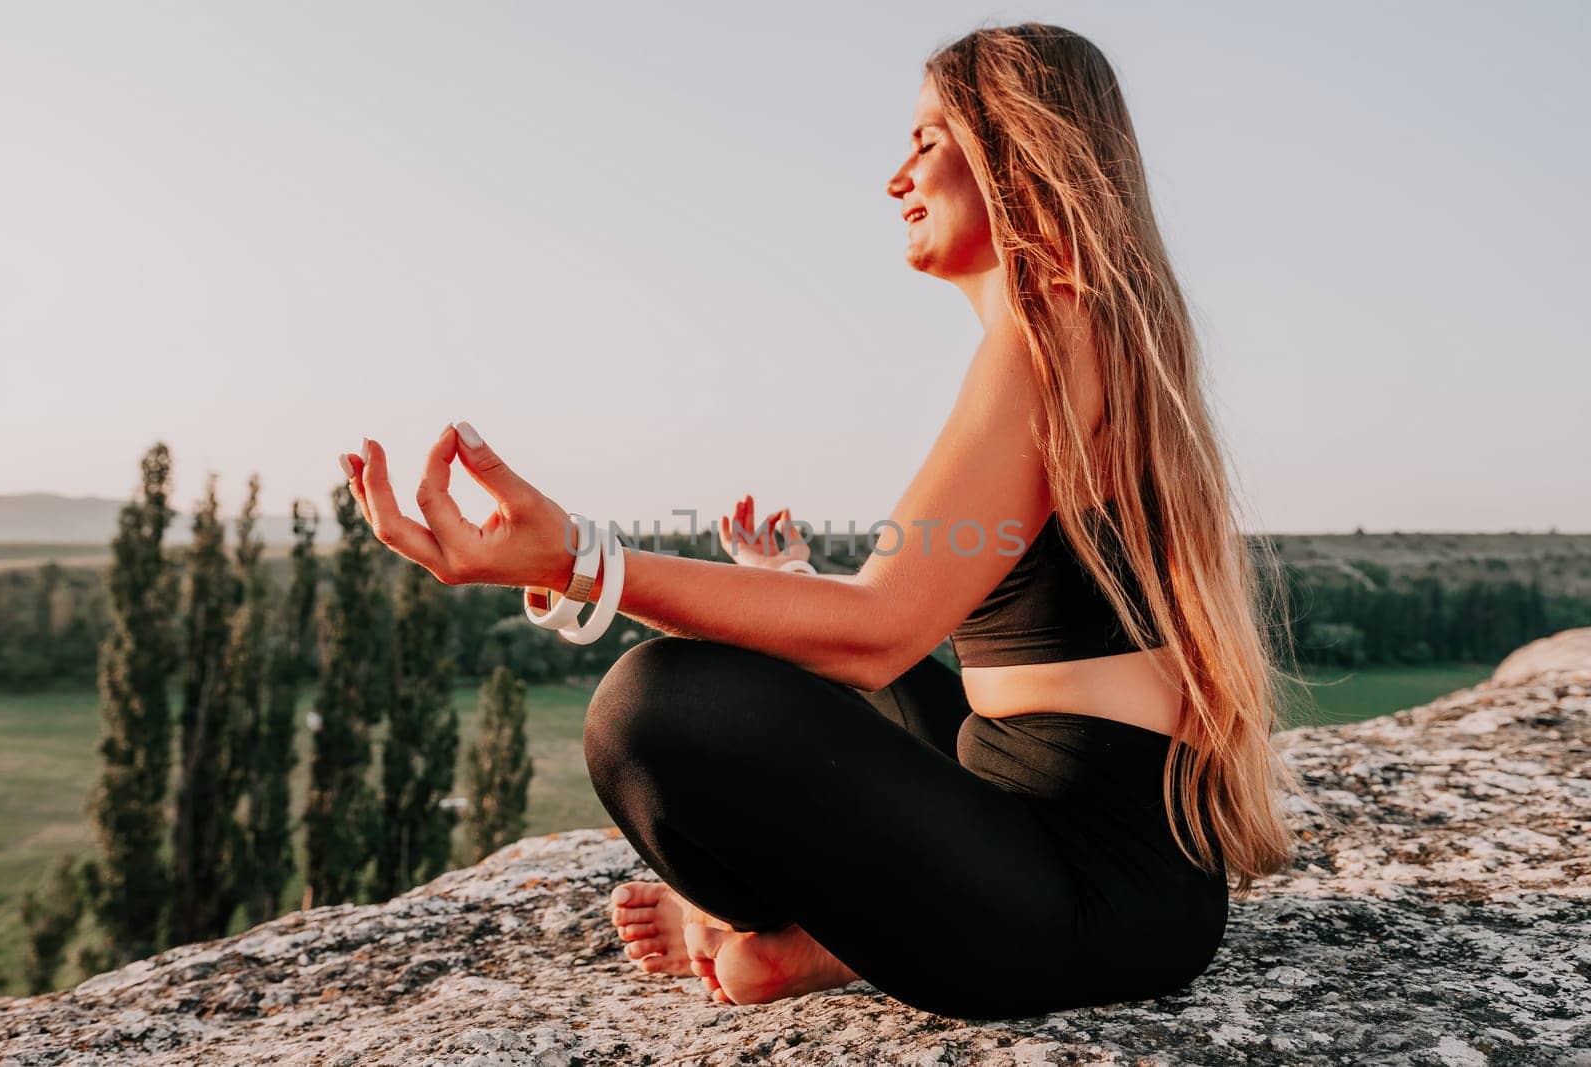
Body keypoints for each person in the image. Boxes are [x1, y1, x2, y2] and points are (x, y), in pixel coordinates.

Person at [341, 21, 1300, 1022]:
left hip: (1080, 894)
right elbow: (905, 624)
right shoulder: (1080, 329)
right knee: (793, 665)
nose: (896, 176)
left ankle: (818, 929)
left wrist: (583, 560)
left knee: (653, 704)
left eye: (929, 139)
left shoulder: (1056, 327)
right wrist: (790, 586)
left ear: (1018, 152)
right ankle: (830, 942)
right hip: (1115, 880)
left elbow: (878, 626)